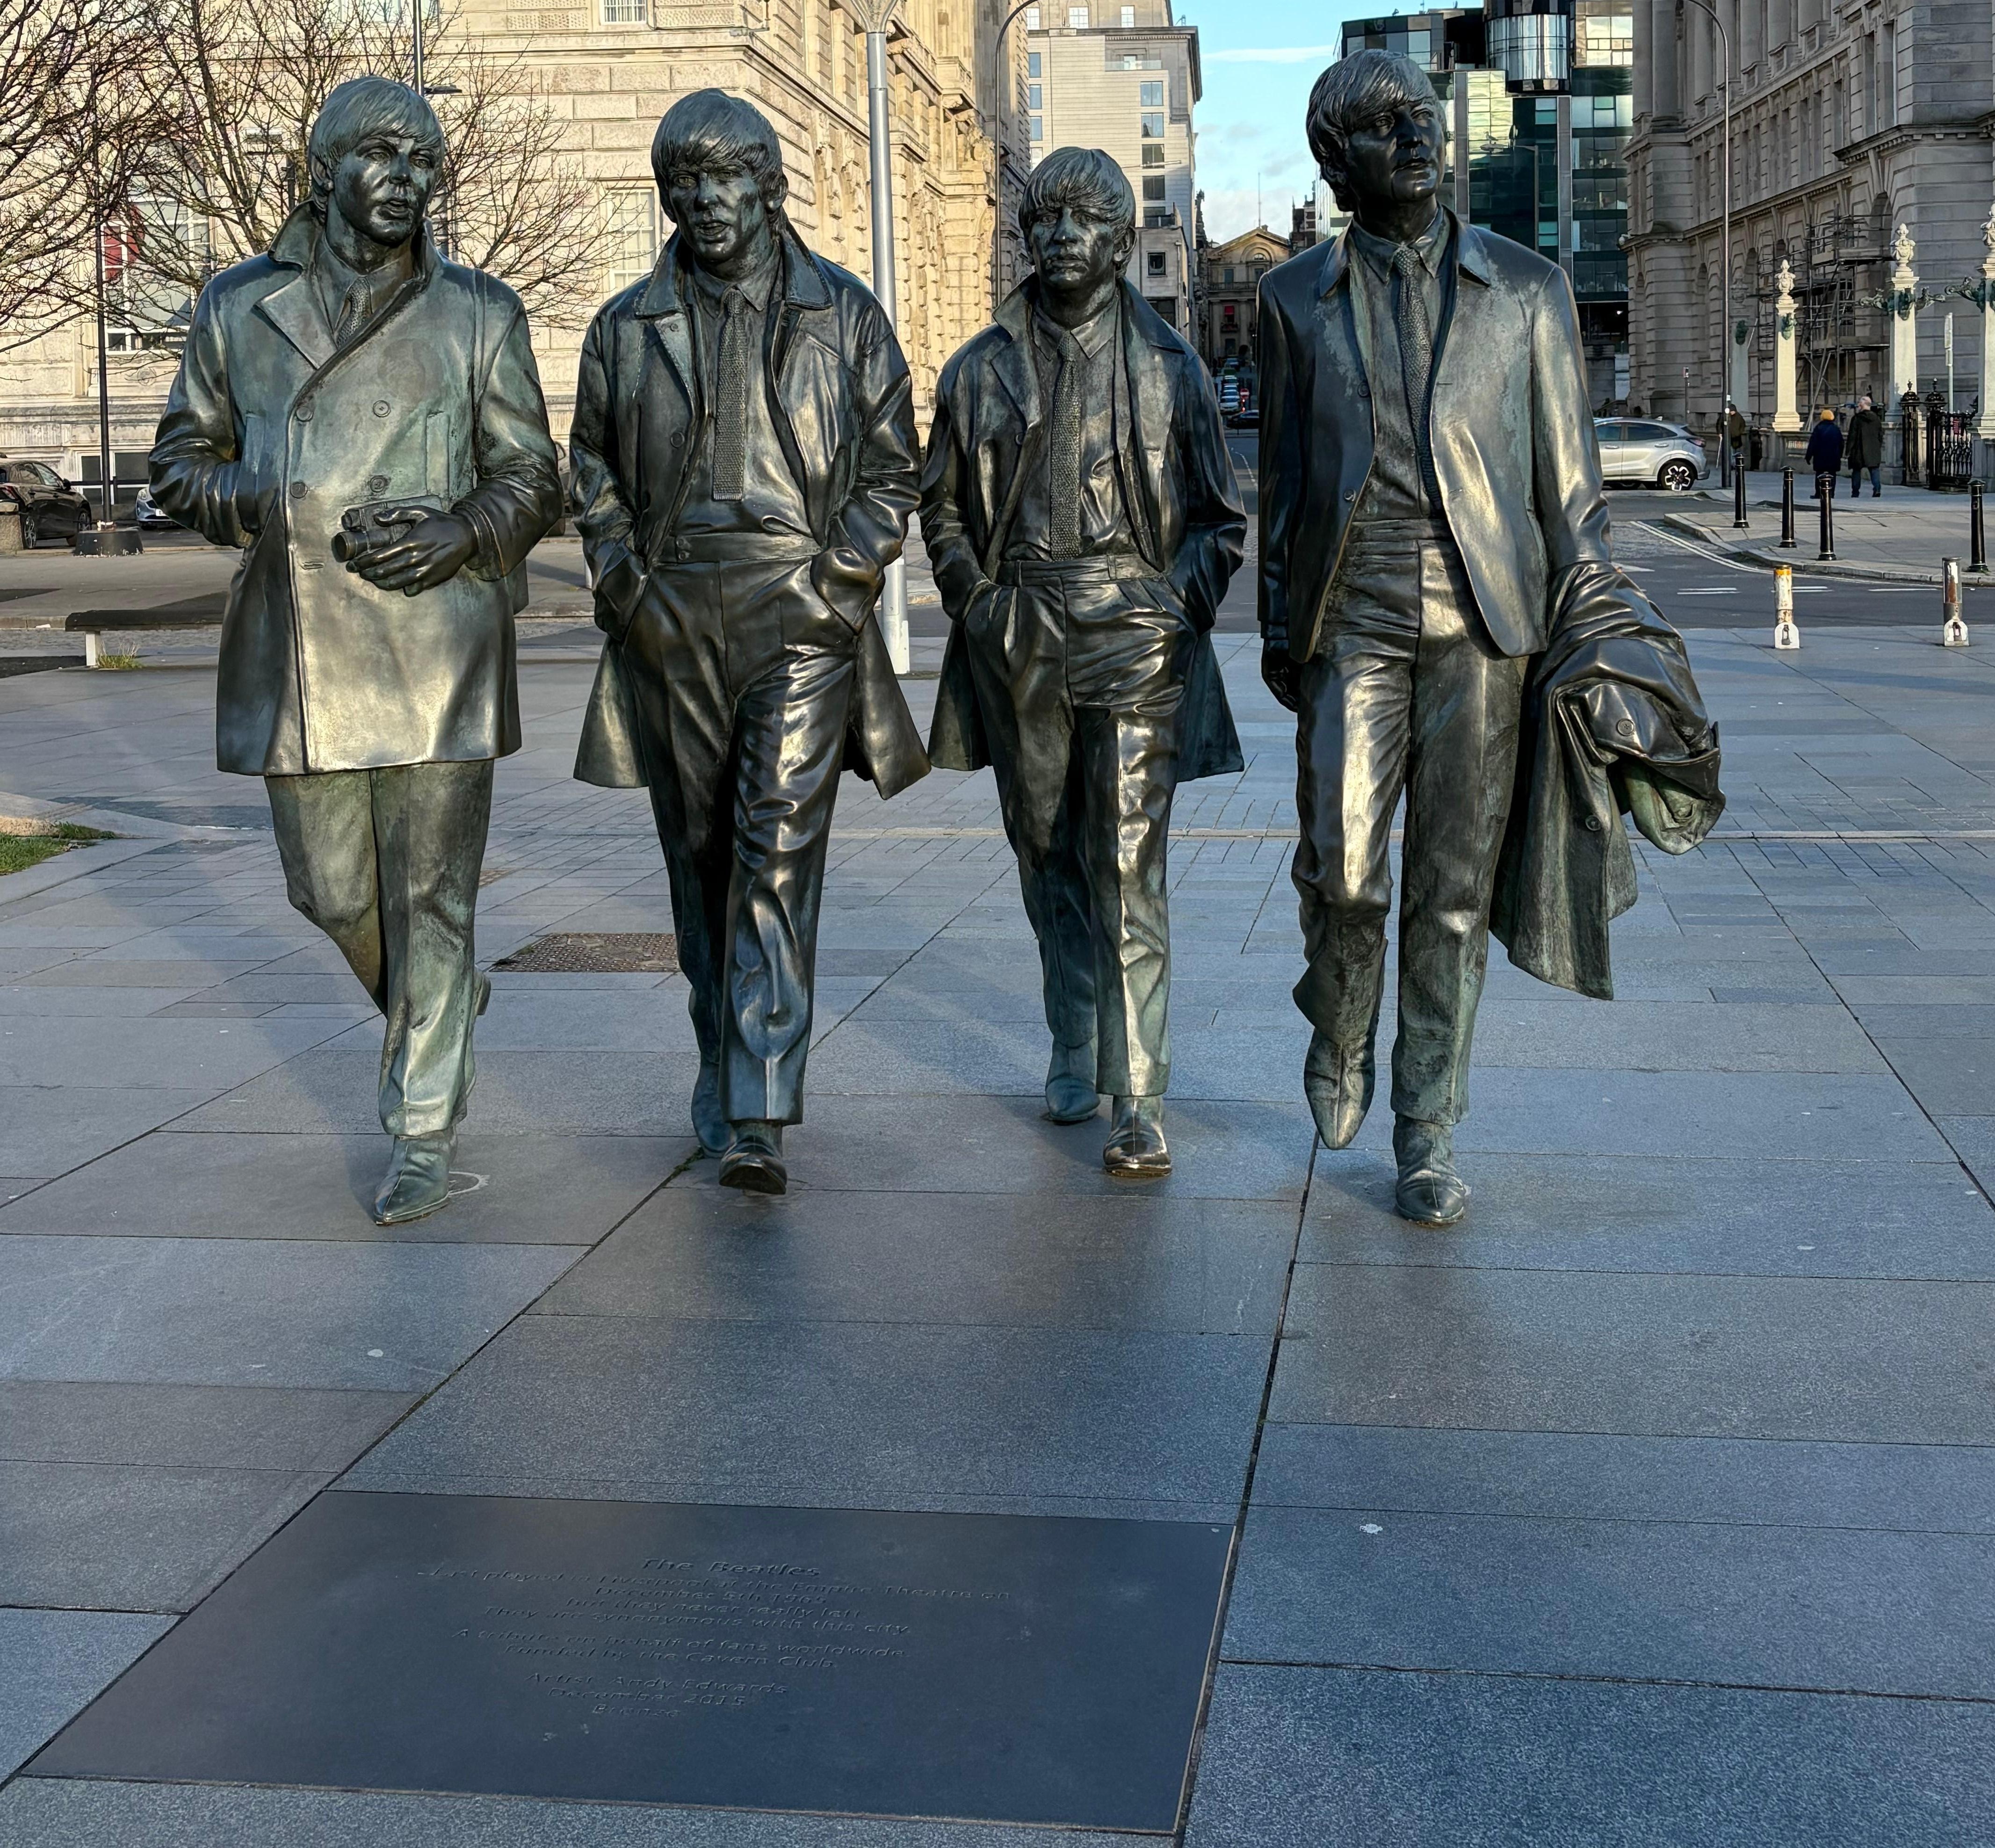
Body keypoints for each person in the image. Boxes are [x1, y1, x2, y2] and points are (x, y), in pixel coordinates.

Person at [149, 76, 563, 1225]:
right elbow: (180, 461)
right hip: (306, 644)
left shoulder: (480, 310)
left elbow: (535, 474)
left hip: (439, 639)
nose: (407, 179)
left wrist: (460, 530)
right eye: (382, 154)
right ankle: (435, 1002)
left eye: (426, 160)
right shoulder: (238, 307)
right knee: (327, 888)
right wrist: (269, 496)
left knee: (433, 894)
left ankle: (421, 1126)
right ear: (318, 171)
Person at [1257, 49, 1616, 1226]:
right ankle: (1340, 1028)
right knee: (1347, 871)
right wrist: (1276, 623)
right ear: (1337, 162)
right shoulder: (1291, 294)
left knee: (1453, 890)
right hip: (1350, 604)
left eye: (1422, 116)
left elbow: (1570, 493)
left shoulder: (1528, 288)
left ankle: (1428, 1130)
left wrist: (1591, 626)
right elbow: (1287, 480)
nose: (1416, 136)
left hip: (1486, 617)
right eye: (1382, 126)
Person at [569, 91, 927, 1196]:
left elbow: (891, 467)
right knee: (703, 863)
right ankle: (719, 1058)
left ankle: (761, 1104)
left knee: (773, 851)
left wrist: (840, 584)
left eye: (727, 179)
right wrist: (628, 588)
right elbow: (591, 471)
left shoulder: (847, 314)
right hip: (672, 613)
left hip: (800, 613)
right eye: (686, 182)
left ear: (770, 186)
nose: (706, 201)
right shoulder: (626, 326)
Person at [921, 148, 1245, 1178]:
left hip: (1133, 631)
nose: (1061, 236)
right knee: (1046, 849)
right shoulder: (979, 368)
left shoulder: (1171, 368)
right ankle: (1074, 1030)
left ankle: (1139, 1090)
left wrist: (1171, 606)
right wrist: (978, 603)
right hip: (1022, 625)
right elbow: (942, 508)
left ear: (1119, 242)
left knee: (1127, 865)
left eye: (1084, 221)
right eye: (1046, 219)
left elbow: (1217, 519)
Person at [1847, 394, 1884, 498]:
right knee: (1874, 470)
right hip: (1873, 449)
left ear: (1862, 405)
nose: (1858, 404)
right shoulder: (1876, 419)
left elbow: (1852, 436)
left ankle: (1855, 492)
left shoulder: (1857, 418)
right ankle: (1877, 489)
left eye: (1860, 403)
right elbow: (1881, 434)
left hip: (1859, 448)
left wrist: (1848, 450)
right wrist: (1878, 446)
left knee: (1857, 471)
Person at [1805, 406, 1844, 487]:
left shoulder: (1818, 428)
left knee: (1819, 474)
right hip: (1833, 456)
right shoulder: (1836, 429)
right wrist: (1840, 455)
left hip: (1820, 456)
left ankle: (1818, 493)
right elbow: (1841, 444)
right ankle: (1832, 492)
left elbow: (1813, 444)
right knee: (1832, 475)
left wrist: (1808, 456)